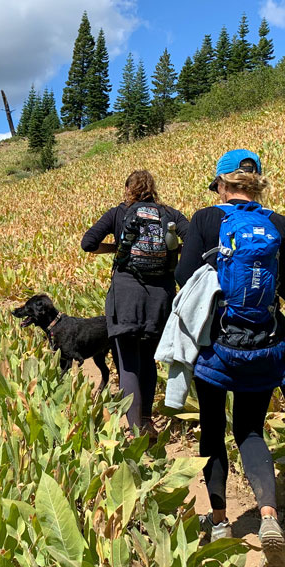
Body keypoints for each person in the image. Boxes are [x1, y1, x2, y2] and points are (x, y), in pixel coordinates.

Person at [175, 148, 285, 567]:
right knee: (250, 430)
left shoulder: (207, 219)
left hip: (217, 346)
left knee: (213, 428)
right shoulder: (277, 224)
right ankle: (268, 515)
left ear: (221, 185)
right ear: (257, 184)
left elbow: (183, 276)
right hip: (265, 344)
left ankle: (222, 520)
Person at [81, 170, 189, 438]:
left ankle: (136, 430)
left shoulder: (119, 213)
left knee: (128, 363)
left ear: (128, 189)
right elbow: (193, 241)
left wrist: (116, 248)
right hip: (160, 297)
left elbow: (88, 244)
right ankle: (147, 421)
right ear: (153, 189)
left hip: (126, 296)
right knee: (148, 360)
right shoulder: (170, 214)